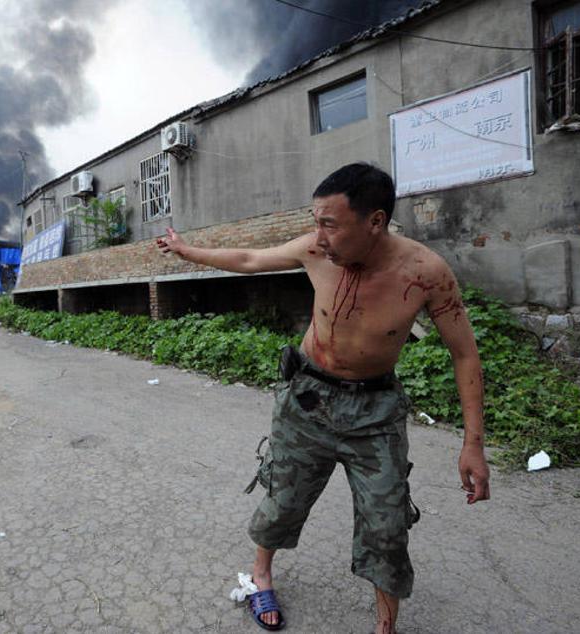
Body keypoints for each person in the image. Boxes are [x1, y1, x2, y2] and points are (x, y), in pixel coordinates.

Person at [156, 163, 490, 634]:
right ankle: (260, 577)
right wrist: (187, 250)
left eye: (330, 224)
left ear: (375, 221)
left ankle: (386, 626)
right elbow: (250, 258)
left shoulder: (426, 273)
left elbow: (465, 355)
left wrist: (473, 444)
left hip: (375, 414)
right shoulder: (317, 251)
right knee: (283, 498)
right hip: (306, 401)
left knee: (386, 524)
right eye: (316, 222)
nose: (319, 236)